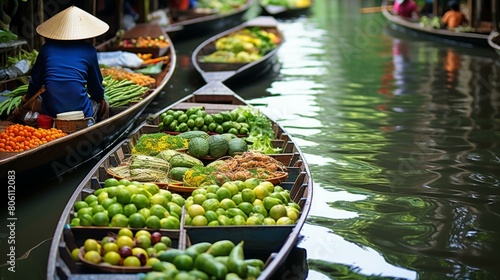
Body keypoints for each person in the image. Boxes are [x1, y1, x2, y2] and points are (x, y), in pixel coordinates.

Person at [26, 6, 109, 123]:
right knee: (99, 102)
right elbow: (95, 89)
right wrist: (101, 99)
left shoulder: (47, 49)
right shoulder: (89, 50)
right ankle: (89, 123)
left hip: (51, 112)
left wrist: (28, 97)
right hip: (81, 113)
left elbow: (35, 81)